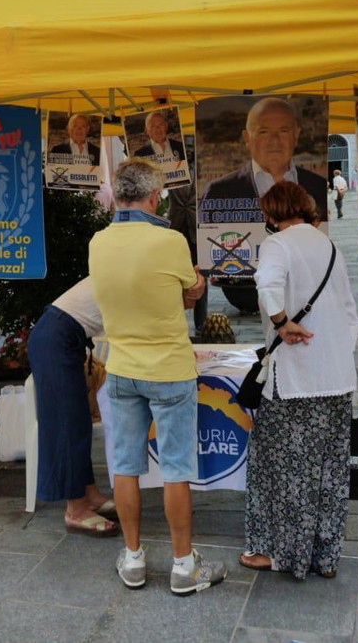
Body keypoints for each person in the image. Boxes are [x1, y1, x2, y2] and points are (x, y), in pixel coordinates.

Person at [89, 158, 227, 595]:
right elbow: (189, 291)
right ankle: (183, 566)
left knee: (125, 469)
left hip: (122, 367)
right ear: (153, 197)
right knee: (175, 471)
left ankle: (132, 558)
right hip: (168, 369)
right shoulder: (169, 242)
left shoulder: (98, 242)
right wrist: (197, 290)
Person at [239, 181, 358, 581]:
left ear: (271, 214)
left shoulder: (279, 244)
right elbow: (349, 314)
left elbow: (266, 287)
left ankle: (282, 555)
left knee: (282, 468)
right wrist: (336, 355)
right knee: (328, 469)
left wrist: (281, 323)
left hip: (295, 380)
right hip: (338, 378)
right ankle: (323, 556)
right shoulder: (329, 246)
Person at [26, 276, 119, 537]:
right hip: (55, 339)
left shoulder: (123, 263)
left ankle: (89, 495)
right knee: (67, 424)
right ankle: (75, 510)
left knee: (78, 422)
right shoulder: (126, 269)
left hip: (64, 337)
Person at [201, 97, 328, 222]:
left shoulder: (321, 188)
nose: (274, 140)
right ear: (247, 138)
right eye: (264, 132)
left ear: (296, 136)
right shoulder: (219, 191)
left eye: (283, 131)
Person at [167, 167, 208, 336]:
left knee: (200, 275)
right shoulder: (171, 166)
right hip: (177, 225)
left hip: (197, 228)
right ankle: (176, 322)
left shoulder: (202, 168)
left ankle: (201, 324)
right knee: (174, 277)